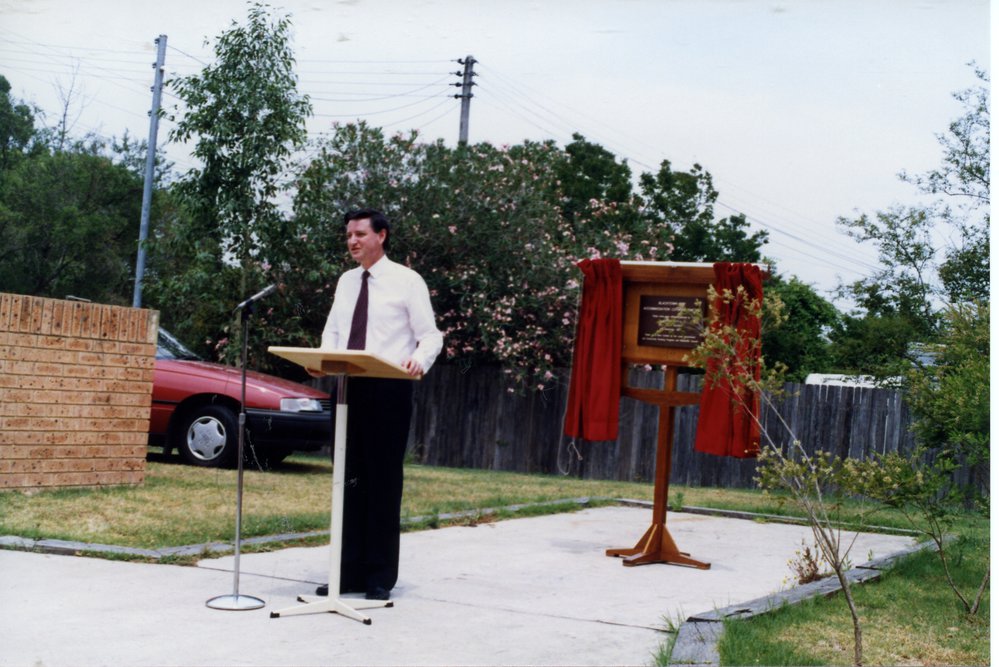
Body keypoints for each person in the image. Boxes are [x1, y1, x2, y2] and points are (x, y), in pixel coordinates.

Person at [315, 208, 443, 601]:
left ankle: (378, 576)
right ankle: (346, 571)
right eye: (348, 235)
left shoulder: (407, 280)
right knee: (348, 480)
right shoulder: (346, 281)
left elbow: (430, 336)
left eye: (360, 234)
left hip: (388, 389)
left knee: (382, 481)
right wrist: (322, 359)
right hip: (347, 389)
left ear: (381, 235)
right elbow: (334, 332)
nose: (352, 241)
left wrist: (418, 361)